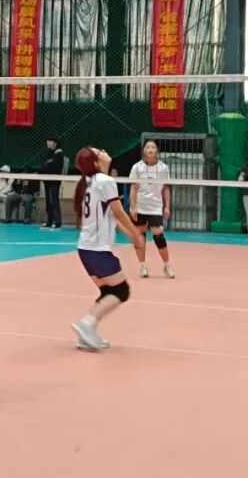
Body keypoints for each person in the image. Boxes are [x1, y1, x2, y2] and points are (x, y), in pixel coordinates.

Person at [70, 147, 144, 352]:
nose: (104, 151)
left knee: (108, 291)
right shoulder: (105, 181)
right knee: (121, 291)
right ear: (96, 162)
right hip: (96, 250)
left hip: (86, 248)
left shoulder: (90, 182)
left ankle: (86, 334)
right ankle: (86, 323)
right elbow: (119, 213)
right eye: (99, 152)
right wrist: (136, 234)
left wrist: (129, 235)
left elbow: (111, 216)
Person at [129, 140, 174, 278]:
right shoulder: (137, 167)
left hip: (155, 207)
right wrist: (133, 208)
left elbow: (166, 188)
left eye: (153, 147)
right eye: (147, 147)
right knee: (140, 238)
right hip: (140, 207)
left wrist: (167, 207)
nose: (150, 149)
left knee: (159, 236)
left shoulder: (163, 168)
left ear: (157, 151)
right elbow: (133, 188)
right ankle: (142, 266)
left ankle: (167, 265)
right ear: (144, 151)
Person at [40, 137, 65, 230]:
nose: (48, 143)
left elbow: (53, 166)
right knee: (48, 202)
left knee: (54, 201)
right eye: (47, 142)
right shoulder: (48, 153)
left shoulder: (59, 153)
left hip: (54, 181)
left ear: (55, 143)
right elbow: (44, 164)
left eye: (50, 142)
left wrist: (47, 164)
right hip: (47, 180)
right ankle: (49, 221)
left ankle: (57, 223)